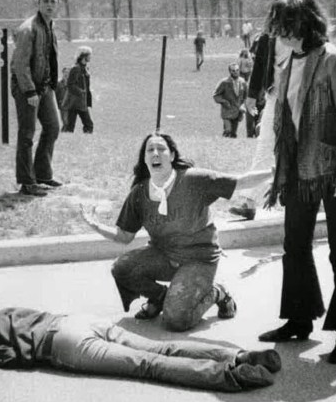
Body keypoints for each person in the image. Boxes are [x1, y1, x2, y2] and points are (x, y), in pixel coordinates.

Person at [256, 0, 336, 365]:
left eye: (286, 25)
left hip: (334, 173)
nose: (280, 33)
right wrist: (281, 171)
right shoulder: (288, 63)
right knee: (295, 246)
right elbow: (288, 124)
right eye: (277, 26)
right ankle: (299, 319)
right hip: (299, 172)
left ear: (306, 23)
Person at [80, 132, 272, 332]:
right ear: (144, 159)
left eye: (161, 149)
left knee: (175, 320)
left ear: (172, 155)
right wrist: (95, 225)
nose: (155, 153)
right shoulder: (139, 193)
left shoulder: (193, 180)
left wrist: (273, 172)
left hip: (199, 260)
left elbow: (241, 182)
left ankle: (216, 292)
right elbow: (124, 236)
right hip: (163, 256)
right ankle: (160, 298)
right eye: (150, 150)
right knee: (122, 268)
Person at [0, 299, 281, 392]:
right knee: (161, 349)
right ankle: (239, 355)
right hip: (75, 320)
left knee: (147, 365)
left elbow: (6, 358)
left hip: (62, 344)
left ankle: (232, 376)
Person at [229, 35, 292, 220]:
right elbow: (259, 66)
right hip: (275, 97)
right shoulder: (268, 36)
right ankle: (249, 201)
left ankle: (312, 199)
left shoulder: (308, 31)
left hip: (304, 99)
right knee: (264, 145)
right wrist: (252, 95)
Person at [11, 0, 62, 197]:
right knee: (27, 134)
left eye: (53, 1)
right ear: (38, 4)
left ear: (57, 5)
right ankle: (27, 182)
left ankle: (42, 174)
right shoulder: (28, 28)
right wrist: (30, 91)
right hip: (27, 88)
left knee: (53, 126)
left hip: (44, 86)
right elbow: (20, 64)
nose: (49, 5)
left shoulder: (50, 26)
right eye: (45, 1)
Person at [61, 46, 94, 134]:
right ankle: (66, 140)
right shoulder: (76, 69)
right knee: (72, 126)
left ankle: (83, 140)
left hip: (80, 102)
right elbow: (70, 84)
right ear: (84, 56)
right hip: (74, 102)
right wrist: (81, 92)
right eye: (89, 55)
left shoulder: (85, 69)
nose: (90, 57)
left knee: (86, 125)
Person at [213, 63, 248, 138]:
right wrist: (224, 102)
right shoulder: (224, 82)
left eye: (237, 70)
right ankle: (222, 141)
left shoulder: (243, 82)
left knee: (233, 134)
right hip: (227, 112)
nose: (235, 72)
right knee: (228, 130)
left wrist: (243, 106)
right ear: (230, 71)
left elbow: (246, 96)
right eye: (233, 71)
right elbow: (216, 95)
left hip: (237, 112)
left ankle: (229, 143)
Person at [55, 66, 70, 131]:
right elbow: (55, 95)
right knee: (65, 121)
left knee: (68, 122)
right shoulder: (58, 84)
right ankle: (64, 132)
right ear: (63, 73)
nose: (66, 74)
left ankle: (65, 133)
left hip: (71, 105)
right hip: (62, 105)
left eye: (68, 72)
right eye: (65, 72)